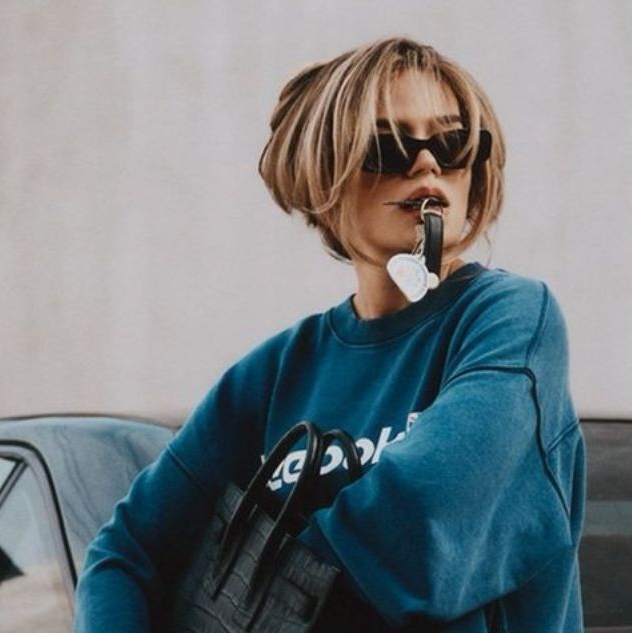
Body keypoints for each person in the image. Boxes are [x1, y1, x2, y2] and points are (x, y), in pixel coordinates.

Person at [74, 37, 586, 632]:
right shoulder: (273, 375)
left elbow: (421, 516)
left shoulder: (507, 319)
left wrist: (267, 587)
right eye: (388, 147)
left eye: (453, 145)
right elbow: (123, 556)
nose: (427, 165)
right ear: (325, 175)